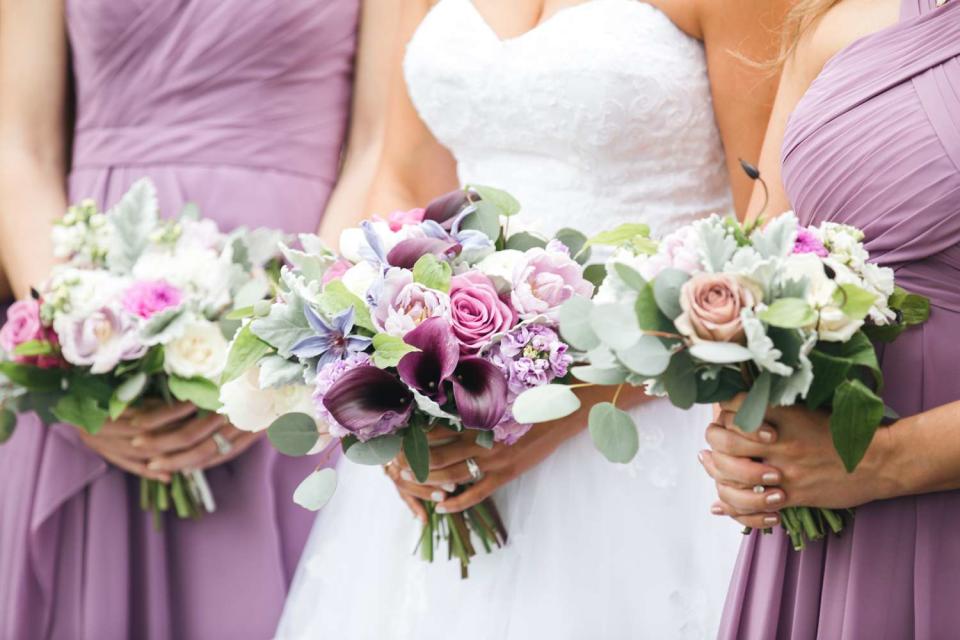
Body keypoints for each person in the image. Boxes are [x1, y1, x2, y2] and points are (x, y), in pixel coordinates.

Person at [277, 0, 790, 637]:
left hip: (654, 403)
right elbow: (405, 181)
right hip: (456, 408)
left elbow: (768, 229)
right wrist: (388, 382)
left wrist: (581, 398)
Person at [0, 1, 397, 637]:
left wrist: (288, 348)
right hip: (91, 301)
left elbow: (381, 143)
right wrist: (74, 338)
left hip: (298, 307)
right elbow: (21, 148)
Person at [698, 0, 960, 636]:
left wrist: (882, 461)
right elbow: (762, 258)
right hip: (820, 512)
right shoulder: (831, 15)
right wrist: (750, 439)